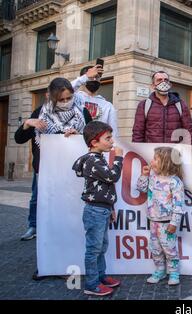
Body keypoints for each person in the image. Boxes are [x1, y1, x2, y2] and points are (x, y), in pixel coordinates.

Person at [15, 77, 92, 241]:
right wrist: (28, 123)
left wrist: (79, 136)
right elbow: (19, 139)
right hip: (45, 169)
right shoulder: (40, 114)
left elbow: (92, 139)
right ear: (50, 96)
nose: (65, 102)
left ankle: (71, 226)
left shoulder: (83, 113)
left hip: (73, 169)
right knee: (38, 199)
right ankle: (34, 226)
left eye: (69, 98)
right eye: (61, 99)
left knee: (71, 199)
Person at [72, 121, 124, 296]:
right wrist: (118, 158)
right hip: (94, 211)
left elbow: (106, 188)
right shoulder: (93, 161)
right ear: (94, 142)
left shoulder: (98, 159)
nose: (111, 141)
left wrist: (111, 208)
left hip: (102, 209)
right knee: (94, 248)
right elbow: (112, 177)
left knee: (102, 246)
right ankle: (92, 284)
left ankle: (101, 276)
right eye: (108, 138)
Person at [136, 147, 185, 286]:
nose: (152, 161)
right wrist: (144, 175)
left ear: (166, 162)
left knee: (169, 248)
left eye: (156, 159)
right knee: (155, 247)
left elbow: (179, 204)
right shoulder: (152, 177)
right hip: (153, 220)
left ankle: (174, 272)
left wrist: (174, 223)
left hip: (167, 222)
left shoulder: (175, 182)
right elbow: (141, 188)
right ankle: (160, 270)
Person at [132, 71, 192, 144]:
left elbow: (189, 131)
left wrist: (191, 151)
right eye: (159, 80)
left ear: (170, 84)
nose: (163, 82)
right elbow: (138, 132)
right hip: (151, 152)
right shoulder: (144, 105)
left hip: (174, 152)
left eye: (166, 80)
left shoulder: (180, 104)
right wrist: (138, 152)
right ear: (153, 86)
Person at [71, 64, 119, 135]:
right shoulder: (74, 98)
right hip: (76, 141)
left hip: (98, 144)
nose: (94, 79)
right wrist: (85, 77)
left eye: (97, 77)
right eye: (91, 77)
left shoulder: (108, 105)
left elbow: (114, 132)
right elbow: (61, 91)